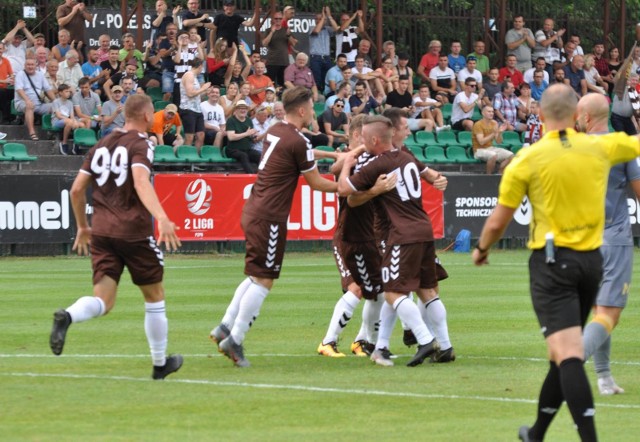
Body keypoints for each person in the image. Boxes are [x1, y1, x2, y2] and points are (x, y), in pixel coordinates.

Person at [473, 83, 640, 442]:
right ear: (576, 114)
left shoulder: (529, 157)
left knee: (568, 354)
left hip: (553, 263)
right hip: (591, 262)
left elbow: (498, 220)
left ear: (541, 114)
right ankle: (536, 433)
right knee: (559, 353)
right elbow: (634, 144)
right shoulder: (601, 146)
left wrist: (482, 249)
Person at [49, 94, 183, 380]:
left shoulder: (102, 143)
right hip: (133, 230)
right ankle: (160, 365)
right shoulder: (142, 143)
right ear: (147, 116)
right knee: (154, 295)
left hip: (102, 231)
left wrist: (84, 227)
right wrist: (162, 217)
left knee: (104, 301)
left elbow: (76, 190)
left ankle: (68, 316)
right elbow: (139, 181)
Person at [209, 87, 339, 367]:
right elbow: (316, 182)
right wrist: (348, 189)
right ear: (302, 110)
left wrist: (330, 156)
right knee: (265, 279)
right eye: (311, 108)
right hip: (270, 216)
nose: (314, 113)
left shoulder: (276, 130)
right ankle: (236, 339)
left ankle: (225, 326)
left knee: (256, 275)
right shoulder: (298, 141)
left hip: (254, 209)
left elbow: (301, 150)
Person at [337, 115, 445, 367]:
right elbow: (428, 173)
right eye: (405, 127)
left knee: (394, 292)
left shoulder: (377, 162)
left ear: (376, 138)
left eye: (364, 139)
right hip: (422, 229)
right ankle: (383, 347)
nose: (360, 143)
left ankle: (425, 339)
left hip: (396, 234)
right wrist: (437, 178)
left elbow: (345, 191)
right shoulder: (407, 157)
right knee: (424, 291)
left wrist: (347, 163)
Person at [577, 93, 639, 397]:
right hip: (613, 237)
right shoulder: (621, 147)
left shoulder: (571, 148)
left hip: (579, 240)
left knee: (600, 310)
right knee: (610, 311)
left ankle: (603, 378)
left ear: (587, 117)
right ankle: (570, 366)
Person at [317, 114, 391, 357]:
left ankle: (362, 341)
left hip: (367, 235)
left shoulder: (370, 158)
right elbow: (337, 171)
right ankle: (328, 341)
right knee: (357, 288)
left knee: (376, 291)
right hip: (348, 235)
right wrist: (356, 151)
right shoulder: (351, 157)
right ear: (360, 136)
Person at [14, 58, 56, 141]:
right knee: (29, 106)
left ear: (36, 66)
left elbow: (47, 90)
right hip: (22, 102)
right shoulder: (20, 74)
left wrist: (56, 101)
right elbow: (19, 90)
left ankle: (52, 131)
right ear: (24, 66)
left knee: (56, 106)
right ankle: (32, 133)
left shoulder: (40, 75)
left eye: (32, 65)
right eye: (28, 65)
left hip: (38, 104)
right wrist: (27, 100)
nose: (30, 67)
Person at [179, 58, 210, 151]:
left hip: (197, 109)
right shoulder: (189, 75)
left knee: (201, 135)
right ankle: (185, 160)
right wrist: (203, 88)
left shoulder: (195, 77)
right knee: (189, 137)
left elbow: (196, 94)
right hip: (188, 109)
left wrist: (206, 92)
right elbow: (190, 93)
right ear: (200, 66)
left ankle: (195, 158)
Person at [471, 105, 512, 174]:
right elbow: (481, 142)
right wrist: (494, 133)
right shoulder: (478, 124)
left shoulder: (494, 123)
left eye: (492, 111)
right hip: (478, 150)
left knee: (511, 155)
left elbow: (498, 142)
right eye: (489, 111)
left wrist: (499, 133)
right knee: (493, 155)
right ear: (483, 113)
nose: (491, 113)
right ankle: (489, 176)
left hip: (491, 147)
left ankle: (499, 173)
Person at [52, 83, 90, 155]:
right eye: (66, 91)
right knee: (69, 122)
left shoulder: (70, 103)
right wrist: (70, 120)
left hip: (69, 121)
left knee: (82, 124)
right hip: (56, 122)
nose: (68, 93)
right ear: (60, 93)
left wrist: (73, 120)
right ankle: (64, 143)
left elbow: (72, 116)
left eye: (69, 91)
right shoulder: (56, 102)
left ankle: (77, 143)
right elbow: (58, 116)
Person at [309, 6, 339, 91]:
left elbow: (337, 29)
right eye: (317, 19)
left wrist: (329, 15)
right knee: (317, 79)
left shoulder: (328, 29)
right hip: (315, 57)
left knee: (329, 77)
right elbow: (316, 31)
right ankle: (317, 97)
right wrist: (323, 17)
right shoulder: (312, 28)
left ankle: (327, 95)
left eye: (321, 19)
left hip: (327, 57)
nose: (319, 20)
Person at [225, 101, 259, 173]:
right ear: (236, 110)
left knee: (259, 155)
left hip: (247, 149)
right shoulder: (231, 120)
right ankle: (250, 176)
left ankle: (263, 176)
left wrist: (253, 135)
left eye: (245, 108)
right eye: (240, 108)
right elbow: (231, 137)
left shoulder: (249, 120)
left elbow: (249, 135)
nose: (243, 110)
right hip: (233, 150)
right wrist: (246, 133)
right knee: (243, 156)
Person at [263, 12, 294, 87]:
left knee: (283, 84)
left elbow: (293, 43)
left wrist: (289, 35)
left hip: (284, 61)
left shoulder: (286, 30)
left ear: (282, 19)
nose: (278, 20)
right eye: (276, 18)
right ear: (273, 19)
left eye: (280, 18)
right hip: (272, 61)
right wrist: (272, 32)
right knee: (270, 83)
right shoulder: (268, 30)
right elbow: (264, 43)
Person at [0, 41, 15, 124]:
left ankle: (13, 118)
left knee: (15, 93)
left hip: (5, 87)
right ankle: (5, 118)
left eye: (1, 49)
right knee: (2, 93)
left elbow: (11, 74)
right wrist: (4, 81)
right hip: (1, 89)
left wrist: (12, 80)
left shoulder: (6, 61)